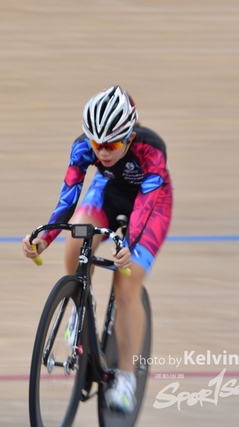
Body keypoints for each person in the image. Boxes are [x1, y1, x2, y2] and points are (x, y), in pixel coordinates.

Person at [22, 86, 172, 413]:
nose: (102, 152)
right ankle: (81, 302)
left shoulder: (151, 149)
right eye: (96, 144)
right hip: (108, 193)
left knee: (126, 283)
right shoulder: (83, 147)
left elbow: (145, 206)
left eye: (111, 145)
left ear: (130, 137)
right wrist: (45, 238)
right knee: (77, 237)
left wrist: (129, 245)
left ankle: (127, 378)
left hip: (151, 205)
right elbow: (69, 196)